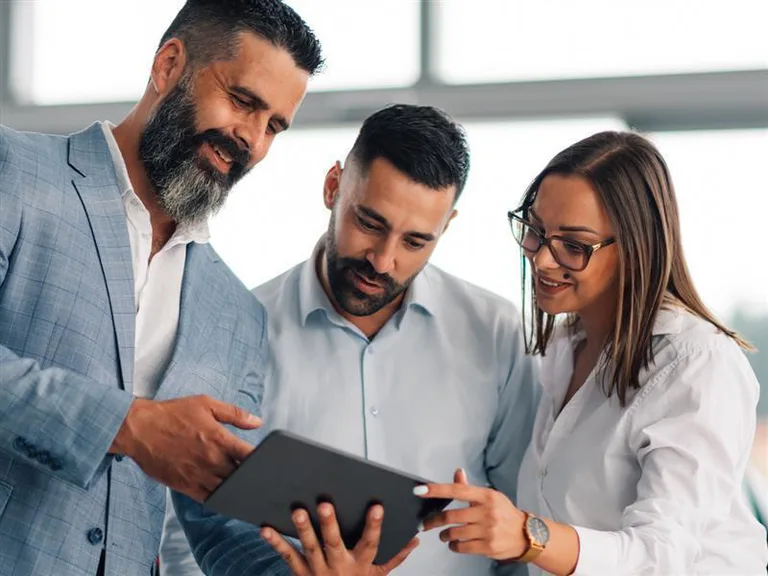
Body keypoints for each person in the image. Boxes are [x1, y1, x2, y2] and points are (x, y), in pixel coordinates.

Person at [0, 1, 324, 574]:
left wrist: (309, 568)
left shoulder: (237, 315)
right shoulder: (14, 172)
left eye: (273, 125)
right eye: (243, 101)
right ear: (169, 65)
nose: (249, 138)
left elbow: (217, 520)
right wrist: (130, 425)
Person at [160, 103, 540, 575]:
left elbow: (525, 516)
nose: (383, 261)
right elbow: (189, 533)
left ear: (447, 227)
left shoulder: (497, 332)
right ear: (333, 186)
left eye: (415, 241)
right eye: (370, 224)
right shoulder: (239, 327)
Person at [413, 131, 768, 574]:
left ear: (637, 249)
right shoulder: (564, 349)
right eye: (536, 231)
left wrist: (527, 533)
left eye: (574, 246)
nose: (542, 260)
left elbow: (661, 557)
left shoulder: (698, 363)